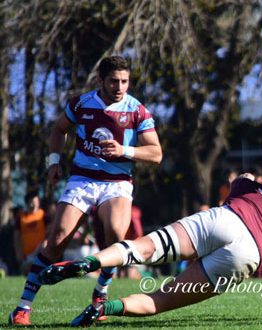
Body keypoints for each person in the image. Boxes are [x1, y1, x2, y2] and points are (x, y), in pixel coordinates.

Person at [38, 173, 262, 326]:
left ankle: (89, 261)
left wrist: (260, 180)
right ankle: (102, 309)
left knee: (141, 248)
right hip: (247, 252)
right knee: (158, 299)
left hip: (224, 219)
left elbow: (239, 177)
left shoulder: (252, 187)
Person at [8, 56, 163, 326]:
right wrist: (54, 162)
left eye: (124, 81)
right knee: (56, 241)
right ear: (101, 80)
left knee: (116, 237)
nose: (120, 86)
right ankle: (22, 308)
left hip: (117, 183)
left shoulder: (137, 110)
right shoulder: (82, 104)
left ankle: (100, 295)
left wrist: (124, 150)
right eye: (114, 81)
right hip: (82, 179)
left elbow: (156, 153)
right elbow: (59, 129)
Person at [13, 192, 47, 275]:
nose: (34, 204)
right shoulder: (21, 218)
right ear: (27, 203)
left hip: (40, 252)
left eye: (36, 202)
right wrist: (18, 253)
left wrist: (46, 244)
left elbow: (50, 231)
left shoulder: (43, 215)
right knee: (27, 272)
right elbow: (16, 237)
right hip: (26, 255)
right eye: (32, 202)